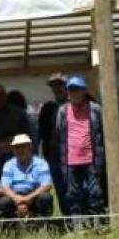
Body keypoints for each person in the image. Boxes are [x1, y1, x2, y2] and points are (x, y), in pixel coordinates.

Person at [54, 76, 106, 232]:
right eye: (71, 90)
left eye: (77, 89)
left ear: (84, 91)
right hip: (70, 159)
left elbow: (103, 132)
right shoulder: (62, 111)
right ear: (68, 93)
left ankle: (98, 225)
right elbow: (58, 133)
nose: (74, 93)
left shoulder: (95, 108)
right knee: (73, 193)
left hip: (92, 158)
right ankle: (78, 227)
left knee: (95, 192)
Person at [0, 134, 55, 222]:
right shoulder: (8, 164)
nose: (20, 150)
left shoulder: (41, 163)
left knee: (46, 197)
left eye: (23, 146)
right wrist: (17, 199)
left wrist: (27, 198)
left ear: (30, 147)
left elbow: (46, 186)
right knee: (3, 202)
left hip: (35, 196)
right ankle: (11, 228)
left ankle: (42, 224)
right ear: (13, 149)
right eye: (17, 147)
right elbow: (4, 187)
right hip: (15, 196)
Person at [38, 73, 70, 213]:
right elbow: (41, 133)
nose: (57, 88)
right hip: (54, 155)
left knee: (78, 188)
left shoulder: (77, 104)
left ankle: (86, 219)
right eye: (54, 85)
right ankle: (69, 221)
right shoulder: (47, 107)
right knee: (60, 188)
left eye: (60, 84)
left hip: (76, 153)